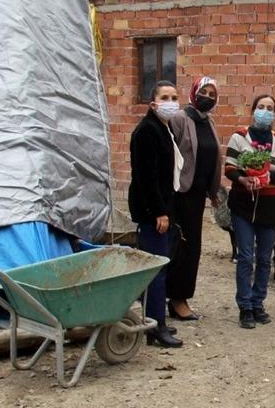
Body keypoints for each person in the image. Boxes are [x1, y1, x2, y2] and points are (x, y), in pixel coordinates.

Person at [224, 94, 275, 329]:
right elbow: (229, 167)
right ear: (253, 110)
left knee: (264, 259)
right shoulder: (239, 137)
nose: (265, 111)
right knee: (245, 257)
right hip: (243, 205)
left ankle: (257, 303)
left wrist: (268, 177)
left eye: (270, 108)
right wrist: (242, 179)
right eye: (261, 107)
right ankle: (244, 307)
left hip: (269, 206)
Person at [128, 80, 184, 348]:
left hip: (162, 207)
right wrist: (159, 212)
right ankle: (155, 327)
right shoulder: (146, 131)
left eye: (174, 97)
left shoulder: (163, 128)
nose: (171, 102)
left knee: (160, 265)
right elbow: (146, 178)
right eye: (165, 97)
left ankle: (156, 320)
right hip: (152, 211)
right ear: (153, 103)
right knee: (156, 268)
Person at [166, 76, 222, 321]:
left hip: (198, 195)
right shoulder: (180, 119)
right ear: (194, 92)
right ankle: (174, 299)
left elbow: (212, 157)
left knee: (193, 248)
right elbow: (170, 154)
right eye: (204, 92)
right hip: (180, 194)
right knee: (181, 246)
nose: (207, 97)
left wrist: (213, 191)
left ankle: (181, 296)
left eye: (212, 94)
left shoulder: (208, 121)